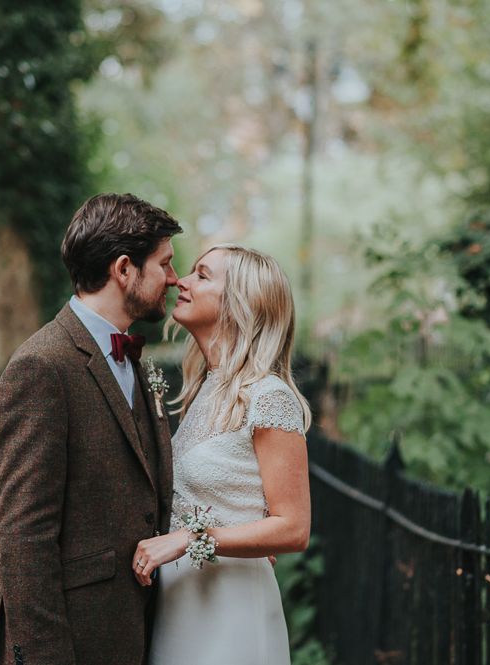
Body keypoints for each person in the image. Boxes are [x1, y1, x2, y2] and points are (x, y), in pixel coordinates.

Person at [0, 193, 182, 665]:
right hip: (69, 640)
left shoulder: (135, 359)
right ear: (124, 269)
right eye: (165, 264)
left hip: (127, 633)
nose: (174, 279)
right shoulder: (41, 367)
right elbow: (23, 536)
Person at [131, 244, 312, 665]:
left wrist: (189, 539)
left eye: (202, 275)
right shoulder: (206, 388)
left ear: (239, 304)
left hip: (232, 608)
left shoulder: (268, 397)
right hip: (183, 603)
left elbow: (294, 528)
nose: (181, 281)